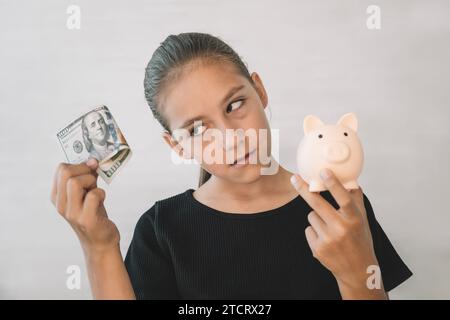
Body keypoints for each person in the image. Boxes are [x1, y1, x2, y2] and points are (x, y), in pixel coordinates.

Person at [50, 32, 412, 300]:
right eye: (197, 128)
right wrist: (98, 247)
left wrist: (355, 271)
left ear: (259, 90)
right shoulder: (161, 231)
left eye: (235, 105)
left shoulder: (342, 208)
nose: (231, 138)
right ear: (178, 145)